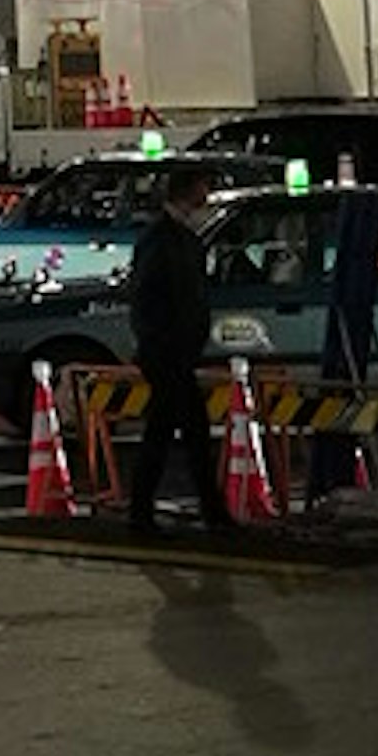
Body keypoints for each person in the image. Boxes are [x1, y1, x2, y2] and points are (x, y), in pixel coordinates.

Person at [123, 161, 236, 545]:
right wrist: (161, 342)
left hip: (177, 353)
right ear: (188, 191)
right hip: (167, 353)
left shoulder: (182, 237)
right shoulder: (161, 239)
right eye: (203, 186)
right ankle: (152, 513)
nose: (206, 194)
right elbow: (146, 298)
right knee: (177, 432)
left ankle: (203, 511)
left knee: (184, 431)